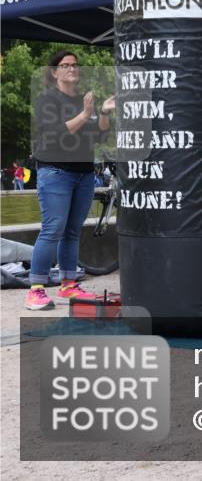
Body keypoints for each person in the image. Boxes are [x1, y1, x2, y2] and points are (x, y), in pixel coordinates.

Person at [25, 51, 114, 310]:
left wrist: (104, 113)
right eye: (65, 65)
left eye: (75, 65)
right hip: (55, 172)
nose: (72, 69)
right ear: (54, 72)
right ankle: (36, 290)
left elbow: (99, 137)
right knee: (53, 229)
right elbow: (53, 134)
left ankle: (68, 284)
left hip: (84, 173)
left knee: (73, 232)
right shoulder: (47, 100)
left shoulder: (84, 100)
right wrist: (86, 115)